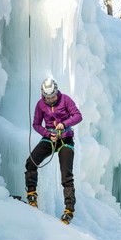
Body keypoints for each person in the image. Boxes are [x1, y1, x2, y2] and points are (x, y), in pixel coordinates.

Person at [25, 77, 82, 224]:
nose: (50, 99)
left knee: (66, 175)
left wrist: (64, 124)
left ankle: (69, 210)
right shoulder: (40, 104)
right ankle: (32, 195)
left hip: (66, 139)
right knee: (31, 162)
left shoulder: (65, 100)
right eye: (47, 97)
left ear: (57, 92)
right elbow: (36, 124)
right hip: (50, 138)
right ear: (43, 95)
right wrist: (46, 134)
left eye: (52, 96)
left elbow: (78, 116)